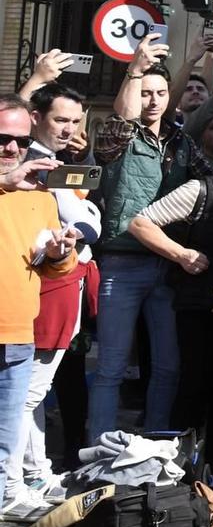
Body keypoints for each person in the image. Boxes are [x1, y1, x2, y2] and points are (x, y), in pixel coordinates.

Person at [125, 119, 213, 505]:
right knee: (193, 389)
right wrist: (182, 254)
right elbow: (139, 221)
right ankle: (178, 476)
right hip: (197, 307)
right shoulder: (200, 189)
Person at [88, 32, 182, 441]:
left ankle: (156, 448)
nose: (154, 100)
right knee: (109, 368)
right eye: (147, 93)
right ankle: (99, 452)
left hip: (167, 265)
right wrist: (134, 70)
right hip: (121, 264)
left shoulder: (179, 141)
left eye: (161, 92)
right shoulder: (118, 138)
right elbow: (122, 118)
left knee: (167, 367)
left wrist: (197, 52)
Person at [14, 85, 99, 505]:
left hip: (68, 285)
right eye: (59, 120)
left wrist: (85, 223)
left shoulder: (60, 164)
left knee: (32, 389)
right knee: (26, 391)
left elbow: (89, 222)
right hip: (44, 288)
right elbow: (76, 224)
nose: (68, 129)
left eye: (75, 121)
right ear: (36, 116)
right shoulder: (27, 165)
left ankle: (34, 473)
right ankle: (19, 480)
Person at [0, 96, 80, 527]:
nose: (12, 149)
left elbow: (55, 267)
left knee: (5, 440)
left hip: (18, 330)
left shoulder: (39, 194)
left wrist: (60, 253)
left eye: (20, 141)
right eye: (2, 140)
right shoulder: (12, 184)